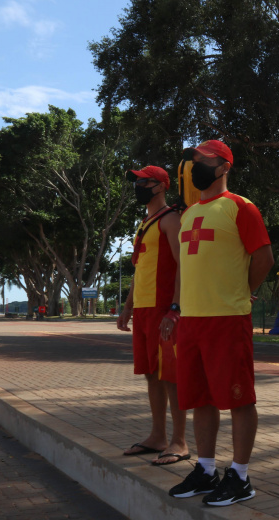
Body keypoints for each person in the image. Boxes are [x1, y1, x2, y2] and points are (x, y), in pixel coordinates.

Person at [167, 140, 274, 507]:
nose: (195, 164)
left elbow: (263, 257)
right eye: (193, 159)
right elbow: (185, 267)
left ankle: (241, 476)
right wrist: (176, 308)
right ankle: (206, 469)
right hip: (192, 321)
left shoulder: (240, 207)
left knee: (239, 399)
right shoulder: (188, 214)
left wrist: (243, 291)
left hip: (227, 319)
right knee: (201, 399)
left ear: (224, 166)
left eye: (203, 159)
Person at [117, 165, 190, 466]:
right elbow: (139, 268)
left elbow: (183, 265)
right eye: (137, 182)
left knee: (171, 377)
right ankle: (158, 435)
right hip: (144, 311)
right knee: (151, 374)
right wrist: (128, 305)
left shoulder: (171, 220)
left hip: (164, 309)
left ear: (160, 186)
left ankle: (180, 441)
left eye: (143, 182)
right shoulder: (144, 222)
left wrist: (175, 308)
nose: (139, 187)